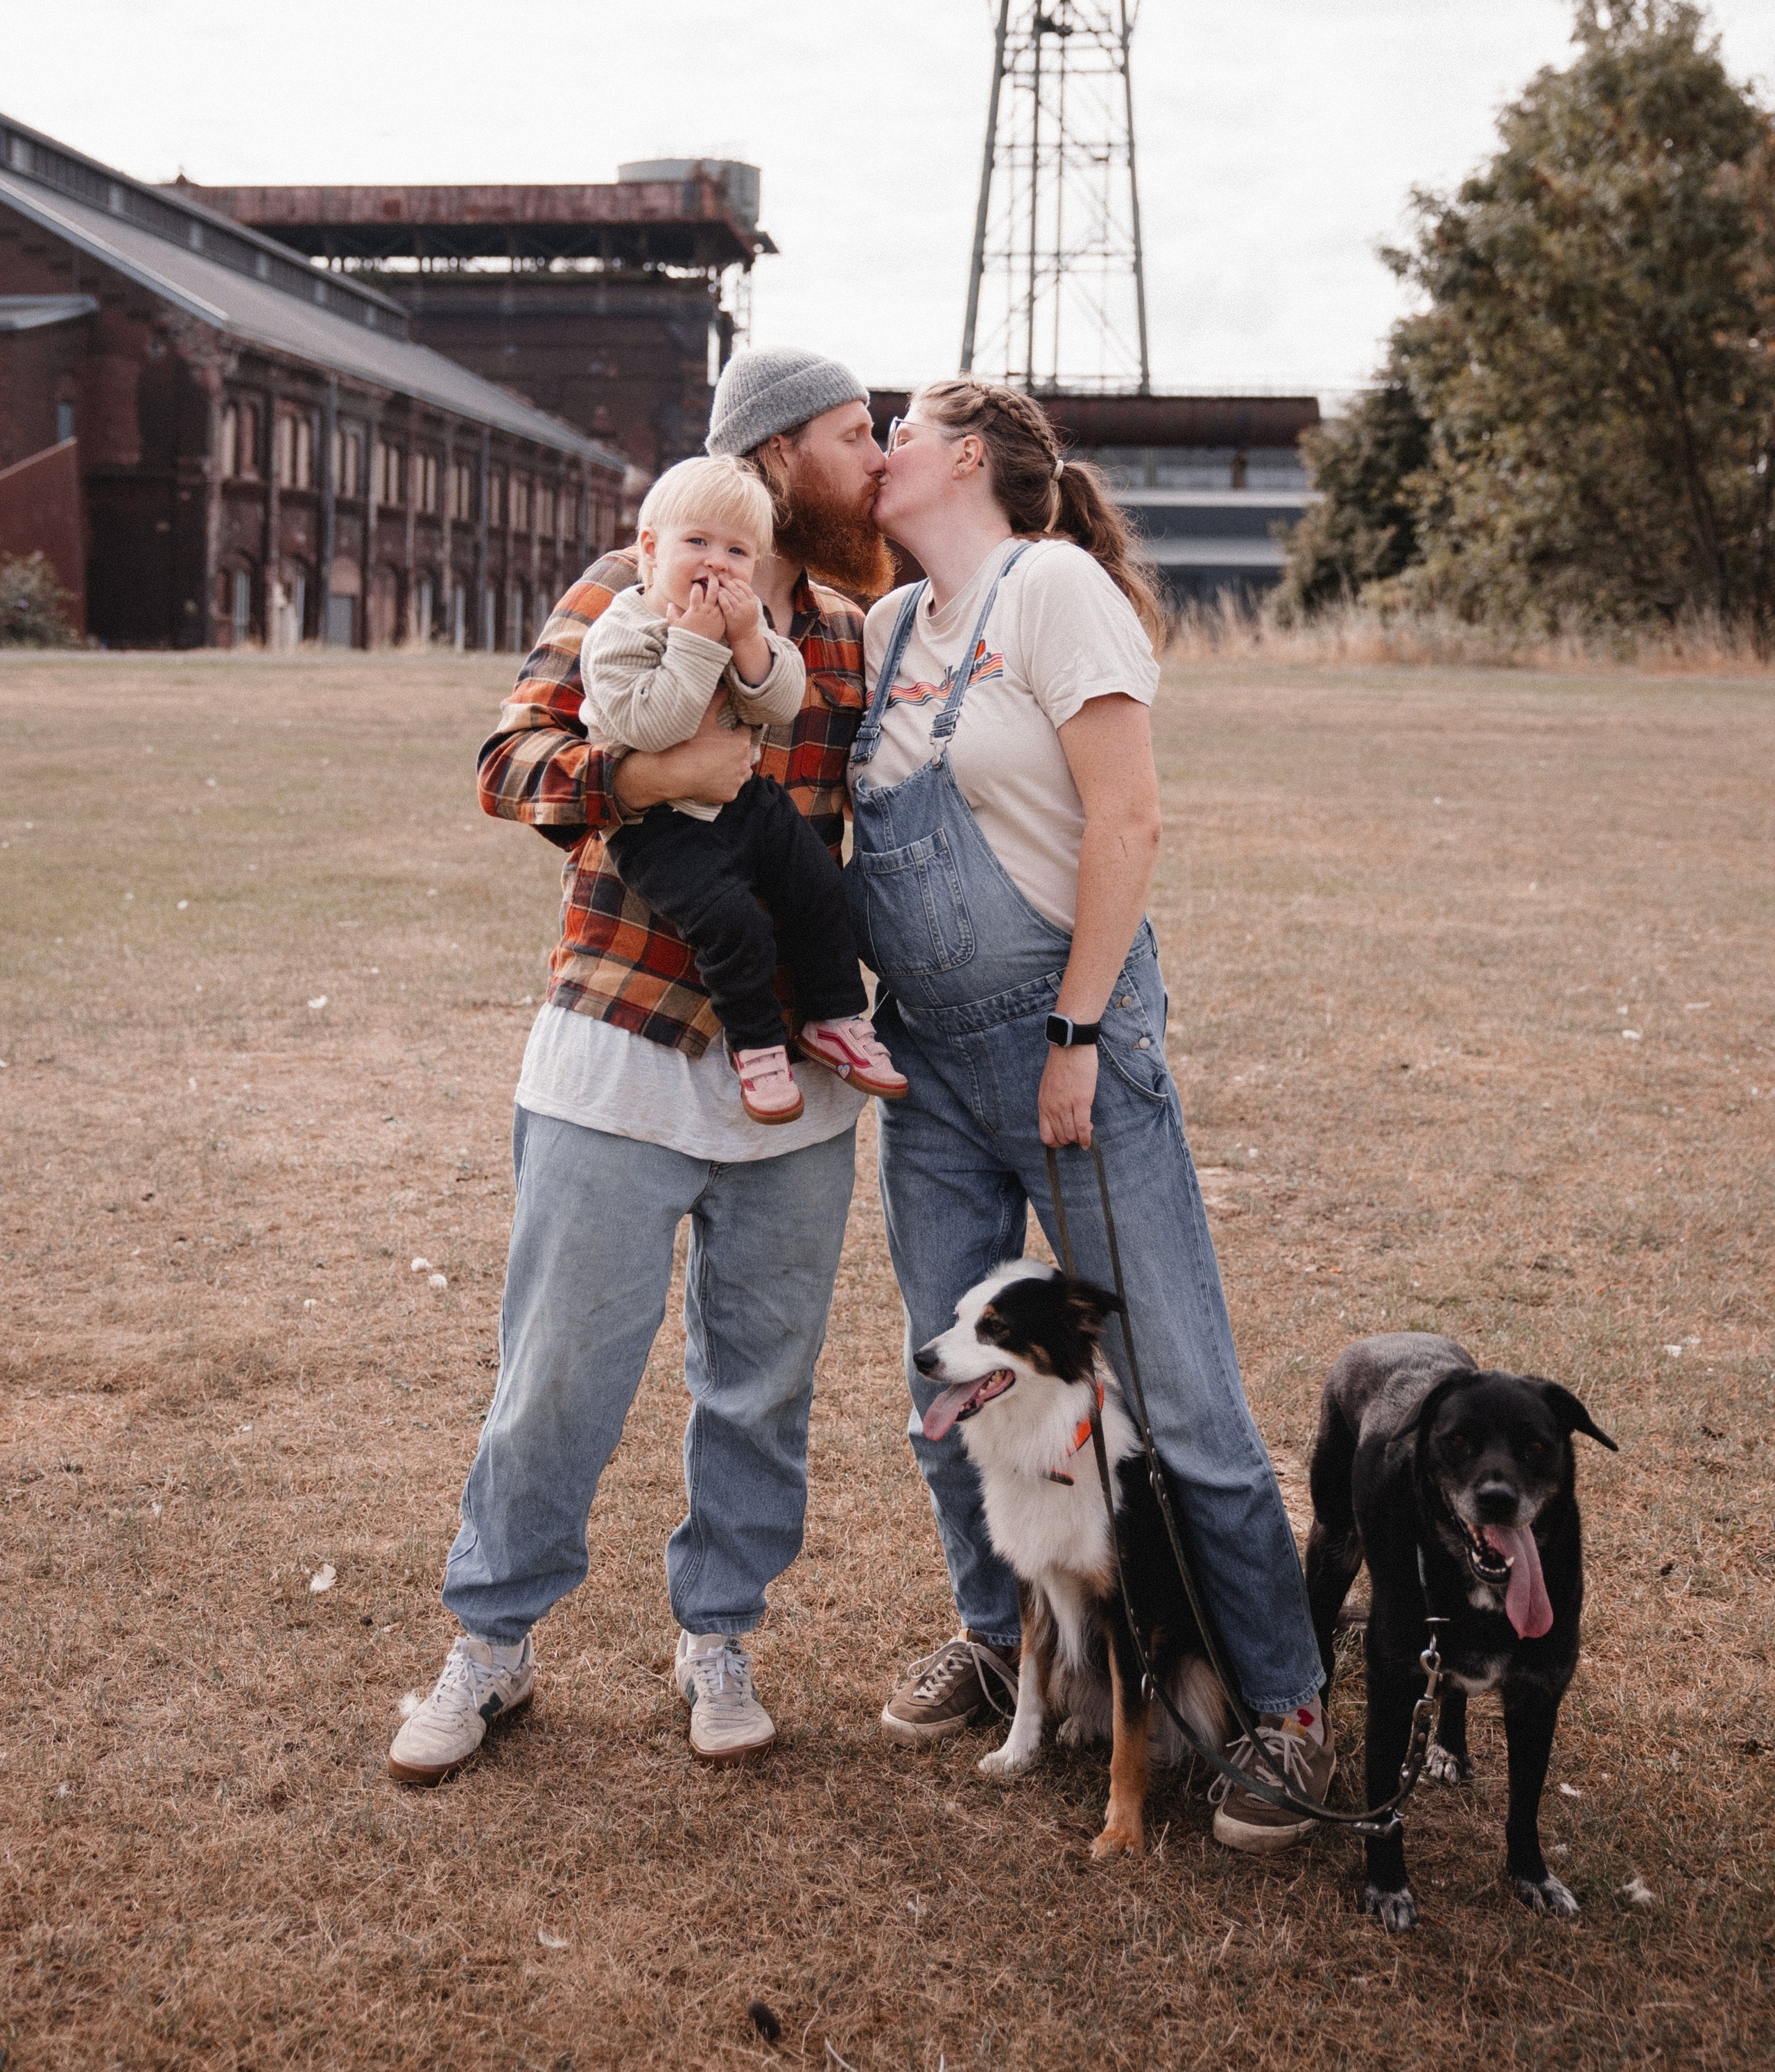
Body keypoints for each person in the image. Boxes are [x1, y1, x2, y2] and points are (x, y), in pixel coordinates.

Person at [386, 349, 894, 1787]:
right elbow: (508, 764)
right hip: (617, 1045)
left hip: (795, 1080)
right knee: (557, 1375)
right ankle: (492, 1642)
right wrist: (648, 779)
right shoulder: (628, 583)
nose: (877, 461)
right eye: (856, 435)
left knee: (761, 1389)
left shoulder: (843, 632)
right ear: (776, 453)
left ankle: (717, 1636)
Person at [855, 379, 1333, 1851]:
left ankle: (1284, 1711)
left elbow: (1126, 820)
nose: (879, 445)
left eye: (901, 427)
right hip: (926, 1068)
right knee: (949, 1387)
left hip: (1068, 1049)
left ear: (969, 457)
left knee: (1180, 1399)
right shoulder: (885, 630)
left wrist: (1071, 1034)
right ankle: (1007, 1646)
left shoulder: (1052, 589)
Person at [580, 454, 904, 1123]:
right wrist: (698, 645)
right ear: (650, 549)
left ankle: (834, 1017)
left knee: (819, 885)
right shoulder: (621, 629)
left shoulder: (748, 621)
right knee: (735, 925)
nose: (717, 564)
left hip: (746, 800)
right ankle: (757, 1050)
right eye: (697, 542)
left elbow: (779, 704)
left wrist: (751, 640)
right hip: (660, 827)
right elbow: (657, 725)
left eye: (736, 552)